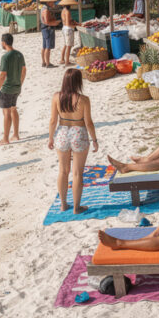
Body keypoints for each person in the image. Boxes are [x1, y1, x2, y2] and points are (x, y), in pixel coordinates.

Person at [48, 69, 98, 213]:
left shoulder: (56, 97)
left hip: (62, 133)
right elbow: (89, 123)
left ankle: (63, 205)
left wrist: (51, 137)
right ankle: (77, 207)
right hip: (79, 133)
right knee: (77, 173)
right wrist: (94, 139)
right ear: (78, 82)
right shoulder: (83, 100)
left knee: (63, 171)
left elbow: (53, 120)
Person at [0, 33, 27, 146]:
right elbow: (24, 70)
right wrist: (20, 83)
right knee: (13, 109)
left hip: (7, 89)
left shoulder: (5, 57)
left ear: (4, 43)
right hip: (17, 87)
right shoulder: (19, 54)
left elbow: (2, 75)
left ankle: (5, 138)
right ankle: (16, 135)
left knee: (7, 112)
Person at [39, 0, 61, 67]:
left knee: (44, 46)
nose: (53, 3)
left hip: (44, 29)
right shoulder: (46, 10)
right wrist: (55, 23)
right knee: (48, 47)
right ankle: (48, 63)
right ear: (48, 2)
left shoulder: (43, 8)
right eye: (52, 2)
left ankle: (43, 62)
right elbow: (47, 22)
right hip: (47, 29)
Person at [58, 0, 81, 66]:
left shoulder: (63, 11)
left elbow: (66, 21)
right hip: (68, 29)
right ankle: (67, 61)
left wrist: (74, 22)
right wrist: (76, 26)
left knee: (65, 45)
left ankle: (62, 59)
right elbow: (68, 23)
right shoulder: (67, 11)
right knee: (69, 46)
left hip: (64, 28)